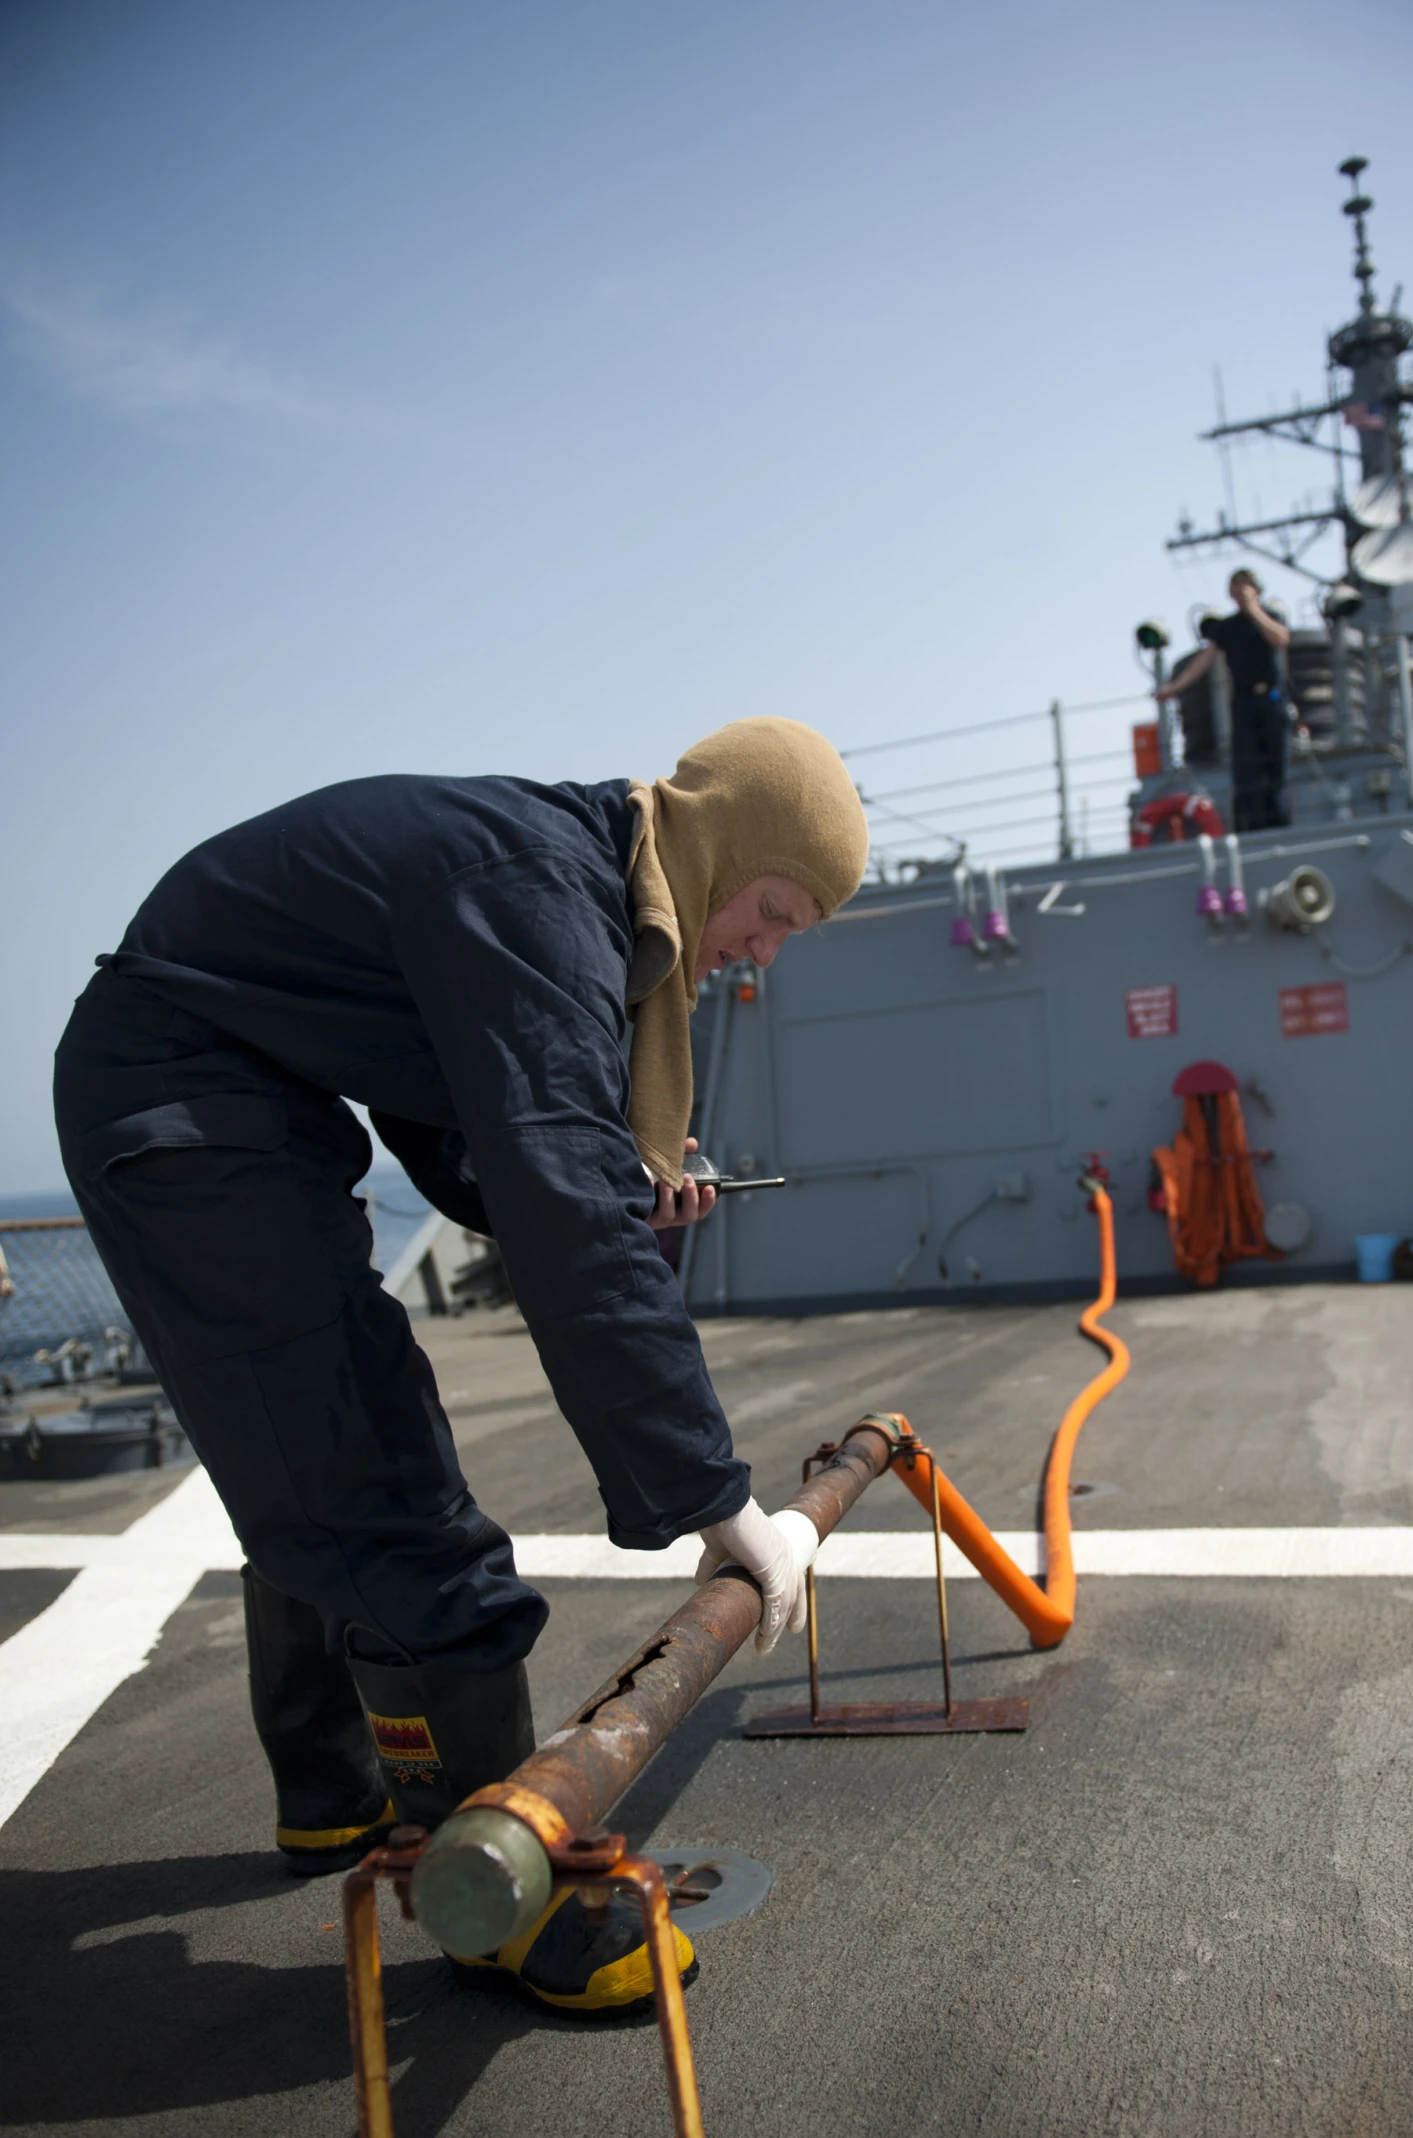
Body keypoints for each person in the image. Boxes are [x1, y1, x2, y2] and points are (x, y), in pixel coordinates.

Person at [54, 717, 867, 2013]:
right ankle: (507, 1908)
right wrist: (719, 1503)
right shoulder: (541, 893)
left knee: (319, 1438)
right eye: (770, 910)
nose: (760, 949)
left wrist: (608, 1183)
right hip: (187, 1099)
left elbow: (470, 1121)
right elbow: (554, 1207)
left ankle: (333, 1792)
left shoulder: (560, 873)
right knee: (381, 1476)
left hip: (240, 1088)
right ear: (719, 847)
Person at [1156, 569, 1292, 832]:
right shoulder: (1227, 628)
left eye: (1245, 585)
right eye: (1235, 586)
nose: (1240, 590)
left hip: (1271, 700)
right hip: (1243, 703)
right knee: (1246, 767)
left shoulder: (1271, 617)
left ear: (1256, 589)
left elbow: (1280, 638)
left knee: (1275, 766)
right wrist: (1174, 687)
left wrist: (1254, 610)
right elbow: (1204, 661)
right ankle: (1253, 825)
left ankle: (1278, 822)